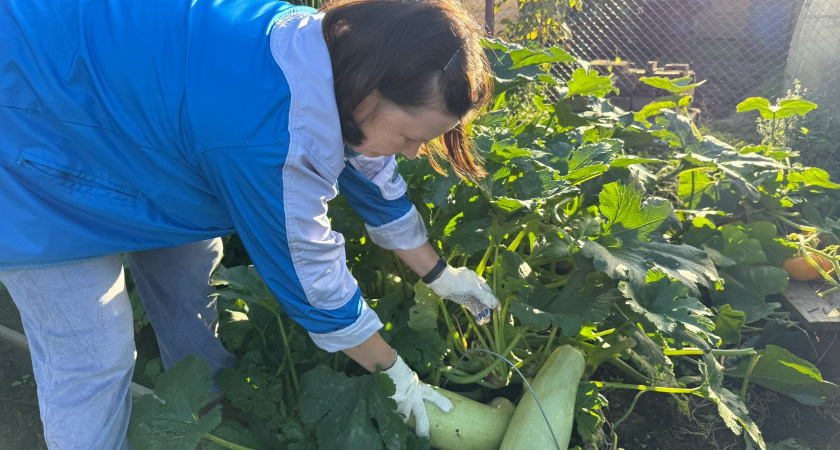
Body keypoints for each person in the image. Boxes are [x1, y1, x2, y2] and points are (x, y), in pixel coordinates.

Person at [0, 0, 499, 448]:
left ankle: (204, 409)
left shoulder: (328, 52)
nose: (413, 152)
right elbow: (312, 280)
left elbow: (371, 169)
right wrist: (396, 375)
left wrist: (440, 275)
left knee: (191, 270)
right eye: (410, 137)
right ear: (370, 85)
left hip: (116, 106)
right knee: (93, 357)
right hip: (27, 119)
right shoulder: (271, 136)